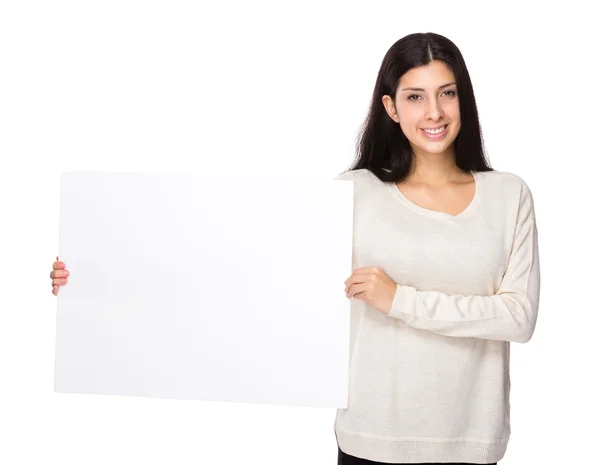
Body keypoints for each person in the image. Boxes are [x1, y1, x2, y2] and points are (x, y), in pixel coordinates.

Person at [50, 31, 540, 465]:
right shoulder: (353, 194)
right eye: (415, 97)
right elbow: (241, 272)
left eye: (446, 93)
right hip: (371, 440)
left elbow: (518, 317)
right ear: (391, 108)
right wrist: (97, 280)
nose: (433, 112)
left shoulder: (508, 195)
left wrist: (399, 300)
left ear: (464, 99)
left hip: (472, 443)